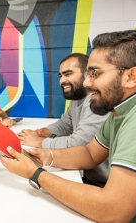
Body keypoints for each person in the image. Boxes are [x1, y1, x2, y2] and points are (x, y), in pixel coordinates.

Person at [0, 30, 136, 222]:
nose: (86, 83)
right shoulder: (122, 110)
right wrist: (44, 156)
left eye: (95, 73)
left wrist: (35, 174)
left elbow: (112, 211)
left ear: (131, 77)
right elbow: (89, 154)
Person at [17, 53, 109, 187]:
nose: (61, 81)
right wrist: (44, 132)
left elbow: (80, 144)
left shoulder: (96, 103)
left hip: (102, 184)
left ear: (87, 74)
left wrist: (39, 141)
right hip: (86, 176)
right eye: (61, 76)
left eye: (68, 74)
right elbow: (65, 124)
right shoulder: (77, 101)